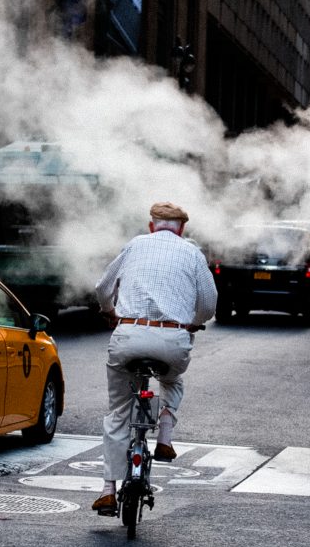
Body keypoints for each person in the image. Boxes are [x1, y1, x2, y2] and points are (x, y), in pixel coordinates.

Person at [91, 201, 217, 516]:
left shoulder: (135, 245)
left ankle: (108, 489)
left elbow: (103, 287)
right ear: (182, 229)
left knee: (119, 413)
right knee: (171, 379)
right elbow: (209, 304)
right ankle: (164, 437)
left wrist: (109, 310)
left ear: (151, 225)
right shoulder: (192, 253)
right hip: (172, 341)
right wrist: (193, 321)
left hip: (129, 336)